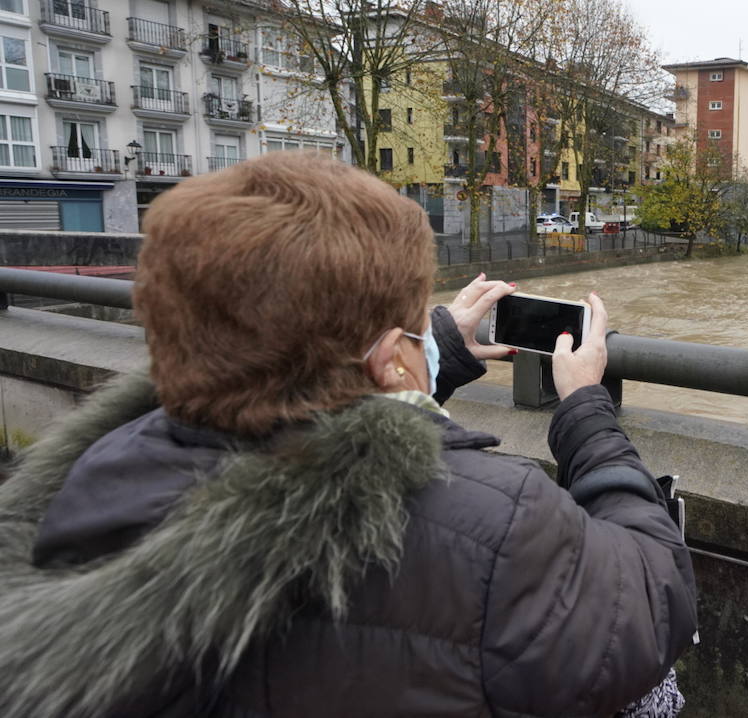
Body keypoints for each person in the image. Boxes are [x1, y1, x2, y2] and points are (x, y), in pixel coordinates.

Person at [0, 152, 697, 717]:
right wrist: (585, 410)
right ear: (393, 359)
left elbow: (302, 398)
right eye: (419, 328)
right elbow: (651, 596)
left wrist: (437, 353)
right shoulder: (497, 526)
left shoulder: (90, 478)